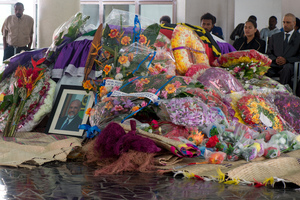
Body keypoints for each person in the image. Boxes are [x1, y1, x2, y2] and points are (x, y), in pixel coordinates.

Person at [266, 13, 300, 87]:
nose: (285, 25)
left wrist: (286, 60)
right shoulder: (275, 37)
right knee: (263, 67)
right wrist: (276, 59)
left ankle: (282, 93)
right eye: (284, 22)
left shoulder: (298, 38)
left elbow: (299, 56)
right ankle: (263, 92)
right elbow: (269, 53)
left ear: (294, 23)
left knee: (287, 68)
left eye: (288, 22)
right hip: (275, 64)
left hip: (290, 65)